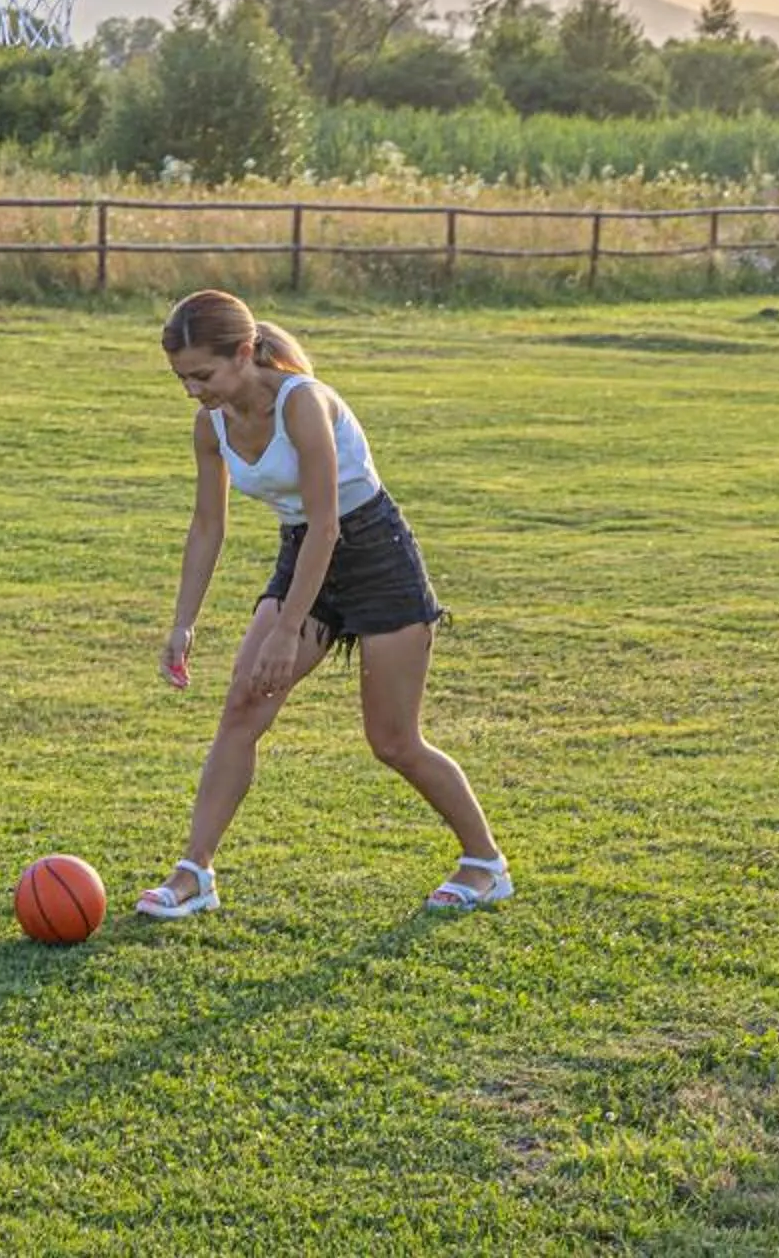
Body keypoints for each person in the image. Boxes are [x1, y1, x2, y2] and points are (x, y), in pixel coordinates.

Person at [135, 289, 506, 920]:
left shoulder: (302, 403)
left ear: (244, 352)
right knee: (241, 708)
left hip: (376, 557)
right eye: (182, 379)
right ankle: (194, 873)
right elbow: (207, 526)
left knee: (393, 741)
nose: (193, 391)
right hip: (302, 550)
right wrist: (183, 622)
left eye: (203, 375)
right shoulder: (210, 425)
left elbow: (329, 525)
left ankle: (485, 864)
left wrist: (286, 633)